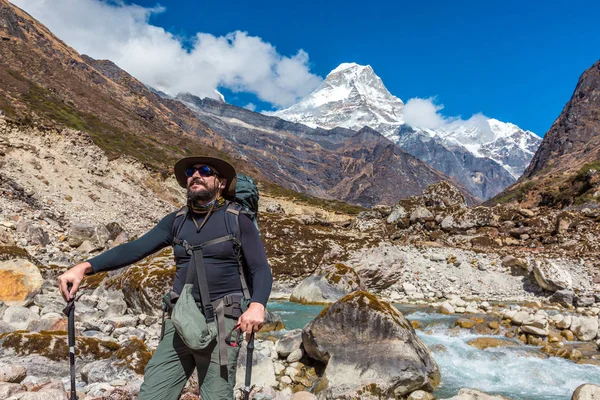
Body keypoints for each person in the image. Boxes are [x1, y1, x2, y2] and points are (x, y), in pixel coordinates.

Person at [57, 156, 273, 400]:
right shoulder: (177, 221)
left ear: (221, 183)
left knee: (216, 395)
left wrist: (257, 305)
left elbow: (260, 268)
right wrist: (85, 267)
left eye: (205, 170)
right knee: (153, 393)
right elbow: (135, 249)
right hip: (180, 318)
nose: (195, 174)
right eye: (191, 171)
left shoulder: (237, 219)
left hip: (224, 323)